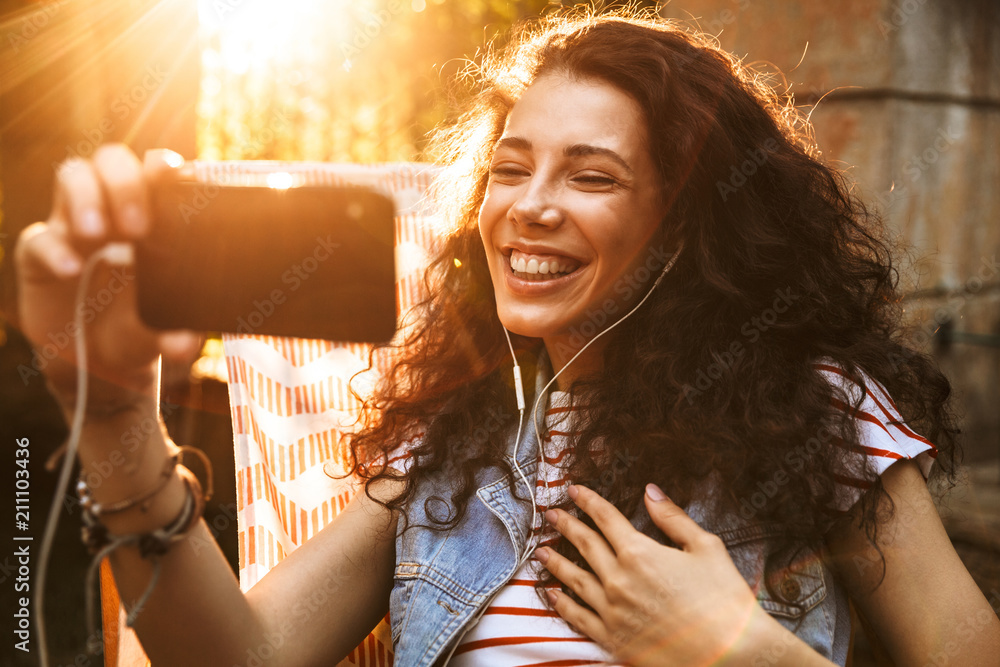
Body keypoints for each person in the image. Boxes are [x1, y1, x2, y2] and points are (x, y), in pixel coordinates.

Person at [14, 11, 1000, 667]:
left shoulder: (820, 408)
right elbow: (237, 658)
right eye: (511, 169)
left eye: (592, 176)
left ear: (693, 223)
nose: (527, 209)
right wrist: (112, 414)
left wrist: (741, 650)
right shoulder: (451, 430)